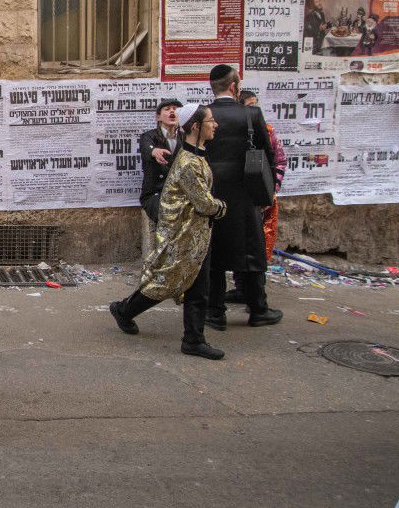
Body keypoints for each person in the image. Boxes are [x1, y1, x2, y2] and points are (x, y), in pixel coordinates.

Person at [110, 104, 227, 359]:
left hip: (196, 234)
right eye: (210, 121)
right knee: (165, 283)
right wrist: (221, 207)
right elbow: (204, 203)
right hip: (183, 235)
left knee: (198, 287)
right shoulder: (188, 163)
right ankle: (124, 310)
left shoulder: (195, 155)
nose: (215, 125)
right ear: (196, 126)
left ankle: (193, 340)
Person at [204, 65, 282, 330]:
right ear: (235, 86)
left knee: (212, 254)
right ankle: (258, 309)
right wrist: (267, 194)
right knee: (252, 253)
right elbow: (267, 156)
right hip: (246, 195)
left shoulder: (203, 115)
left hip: (212, 195)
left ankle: (215, 313)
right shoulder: (251, 114)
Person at [227, 90, 287, 305]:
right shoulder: (234, 131)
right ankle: (242, 288)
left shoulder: (267, 131)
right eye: (250, 105)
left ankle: (256, 295)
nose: (255, 109)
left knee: (258, 246)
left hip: (263, 199)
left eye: (256, 104)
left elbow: (279, 162)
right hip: (240, 198)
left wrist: (269, 193)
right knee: (238, 244)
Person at [138, 98, 183, 224]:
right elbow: (146, 147)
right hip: (156, 194)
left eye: (175, 109)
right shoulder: (149, 136)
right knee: (166, 215)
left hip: (180, 193)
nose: (172, 111)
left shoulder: (186, 138)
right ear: (158, 117)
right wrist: (154, 152)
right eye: (167, 109)